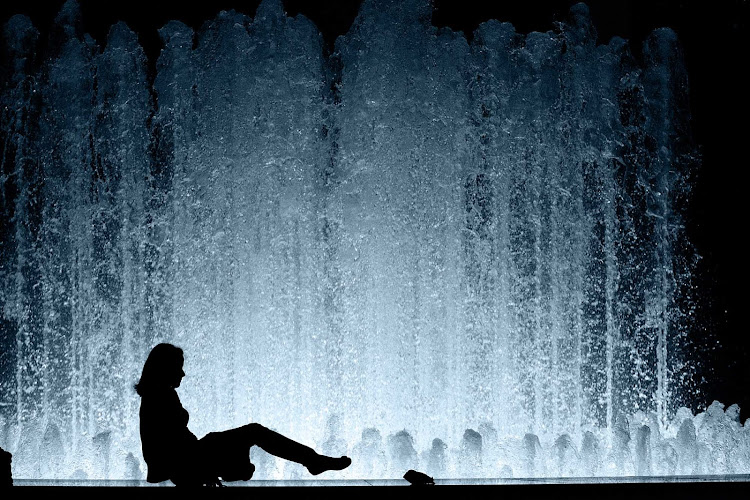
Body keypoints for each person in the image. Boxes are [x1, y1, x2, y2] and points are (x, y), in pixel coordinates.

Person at [136, 343, 351, 486]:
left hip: (184, 463)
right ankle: (312, 461)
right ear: (164, 368)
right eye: (178, 368)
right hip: (182, 466)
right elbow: (167, 446)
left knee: (245, 439)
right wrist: (197, 474)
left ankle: (240, 467)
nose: (183, 373)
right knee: (254, 432)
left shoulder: (158, 393)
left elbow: (171, 442)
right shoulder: (160, 395)